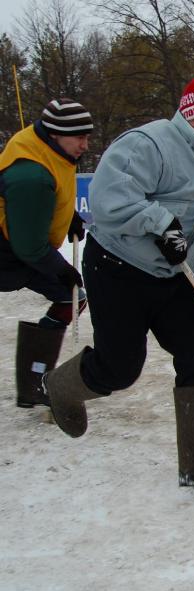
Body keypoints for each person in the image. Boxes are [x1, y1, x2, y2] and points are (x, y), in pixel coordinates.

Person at [43, 78, 194, 487]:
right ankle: (62, 386)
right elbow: (109, 200)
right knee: (120, 368)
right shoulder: (148, 144)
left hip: (172, 275)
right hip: (118, 268)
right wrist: (162, 224)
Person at [1, 99, 93, 409]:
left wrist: (69, 217)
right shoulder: (30, 176)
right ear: (55, 135)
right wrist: (62, 270)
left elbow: (56, 188)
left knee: (72, 295)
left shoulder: (49, 146)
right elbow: (29, 247)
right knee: (70, 289)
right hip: (11, 252)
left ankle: (35, 382)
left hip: (17, 248)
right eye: (78, 137)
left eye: (87, 135)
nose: (85, 144)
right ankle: (34, 382)